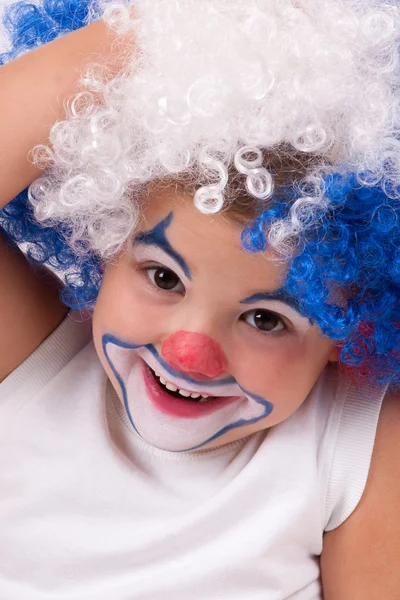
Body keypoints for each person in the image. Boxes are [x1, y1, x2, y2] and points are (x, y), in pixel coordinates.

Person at [0, 0, 400, 597]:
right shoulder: (35, 360)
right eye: (163, 278)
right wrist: (174, 29)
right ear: (102, 239)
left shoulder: (354, 441)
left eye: (266, 319)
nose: (191, 352)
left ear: (353, 326)